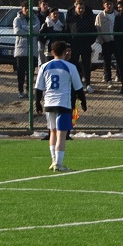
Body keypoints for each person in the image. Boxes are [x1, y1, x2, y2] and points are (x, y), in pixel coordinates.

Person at [34, 40, 87, 172]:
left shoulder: (44, 66)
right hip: (63, 103)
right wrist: (83, 101)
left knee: (52, 132)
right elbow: (79, 87)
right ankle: (58, 163)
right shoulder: (70, 67)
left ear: (52, 52)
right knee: (61, 134)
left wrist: (37, 103)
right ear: (65, 52)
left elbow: (38, 88)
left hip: (49, 104)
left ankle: (54, 161)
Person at [67, 0, 97, 87]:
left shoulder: (88, 19)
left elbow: (93, 32)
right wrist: (71, 42)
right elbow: (67, 31)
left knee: (87, 65)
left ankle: (88, 83)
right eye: (79, 8)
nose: (81, 10)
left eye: (83, 8)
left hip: (86, 46)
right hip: (74, 46)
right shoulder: (71, 19)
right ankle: (74, 83)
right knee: (73, 64)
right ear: (75, 8)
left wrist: (90, 42)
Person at [11, 4, 34, 95]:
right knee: (21, 71)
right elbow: (17, 31)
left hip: (32, 49)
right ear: (22, 9)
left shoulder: (35, 19)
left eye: (29, 8)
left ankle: (29, 90)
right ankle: (20, 90)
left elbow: (36, 30)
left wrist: (24, 28)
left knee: (30, 72)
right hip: (21, 49)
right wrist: (29, 30)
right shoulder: (17, 19)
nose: (28, 10)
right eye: (26, 8)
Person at [96, 0, 117, 84]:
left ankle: (120, 77)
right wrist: (102, 41)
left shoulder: (117, 14)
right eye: (107, 4)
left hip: (116, 41)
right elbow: (98, 29)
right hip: (106, 42)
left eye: (110, 4)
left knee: (119, 60)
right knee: (107, 61)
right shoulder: (100, 16)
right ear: (103, 5)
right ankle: (108, 79)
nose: (109, 5)